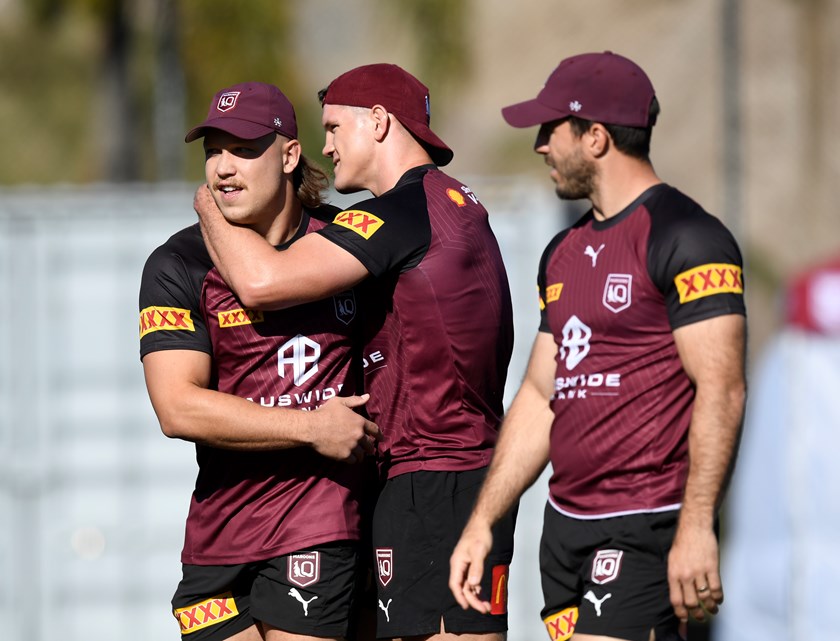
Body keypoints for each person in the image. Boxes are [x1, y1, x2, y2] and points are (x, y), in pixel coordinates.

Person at [193, 64, 516, 641]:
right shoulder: (449, 202)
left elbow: (263, 283)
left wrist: (211, 201)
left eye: (335, 128)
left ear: (379, 121)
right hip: (445, 474)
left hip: (434, 478)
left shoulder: (402, 212)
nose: (327, 146)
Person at [448, 51, 747, 641]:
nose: (538, 146)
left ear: (596, 137)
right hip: (564, 534)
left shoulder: (688, 237)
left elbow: (724, 388)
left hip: (644, 526)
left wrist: (696, 527)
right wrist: (483, 521)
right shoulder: (562, 252)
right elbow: (540, 394)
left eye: (550, 130)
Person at [139, 81, 381, 641]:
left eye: (244, 150)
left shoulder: (349, 246)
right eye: (214, 151)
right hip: (216, 539)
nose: (224, 167)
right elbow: (178, 409)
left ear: (290, 155)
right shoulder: (177, 263)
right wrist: (311, 428)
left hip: (319, 526)